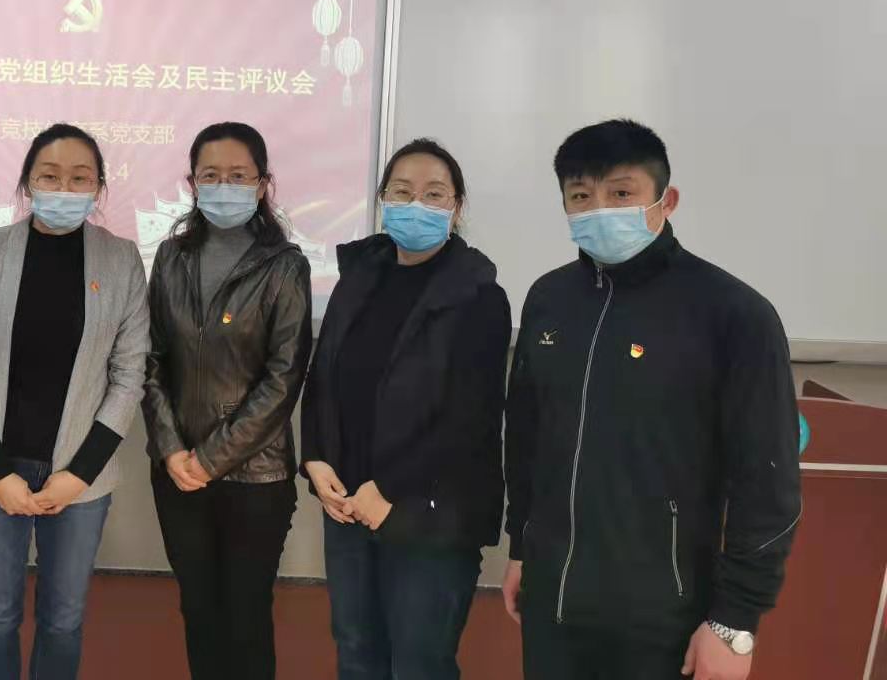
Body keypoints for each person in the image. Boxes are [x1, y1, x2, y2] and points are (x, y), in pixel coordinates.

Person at [502, 120, 801, 680]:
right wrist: (521, 547)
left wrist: (735, 621)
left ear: (667, 200)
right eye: (580, 197)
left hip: (664, 618)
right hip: (553, 602)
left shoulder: (733, 314)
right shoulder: (548, 299)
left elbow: (768, 482)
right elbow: (526, 438)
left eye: (621, 193)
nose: (599, 210)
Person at [0, 123, 150, 680]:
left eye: (80, 178)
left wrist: (79, 475)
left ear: (99, 187)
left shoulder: (121, 259)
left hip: (79, 477)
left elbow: (129, 376)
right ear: (27, 182)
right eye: (49, 176)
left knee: (63, 620)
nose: (64, 188)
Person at [301, 139, 511, 680]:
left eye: (434, 193)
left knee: (419, 663)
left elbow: (471, 419)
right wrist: (315, 458)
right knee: (356, 652)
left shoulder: (479, 296)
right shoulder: (358, 278)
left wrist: (389, 488)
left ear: (456, 208)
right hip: (348, 505)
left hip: (430, 514)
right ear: (382, 199)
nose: (416, 203)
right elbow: (323, 377)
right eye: (402, 191)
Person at [142, 122, 314, 680]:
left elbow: (283, 379)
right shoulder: (170, 257)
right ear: (192, 183)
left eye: (238, 176)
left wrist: (210, 459)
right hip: (178, 474)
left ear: (262, 184)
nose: (224, 186)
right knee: (198, 612)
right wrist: (172, 450)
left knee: (245, 617)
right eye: (210, 175)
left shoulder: (285, 264)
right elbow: (151, 360)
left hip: (256, 478)